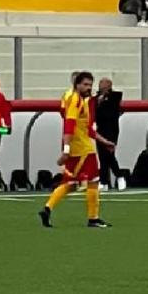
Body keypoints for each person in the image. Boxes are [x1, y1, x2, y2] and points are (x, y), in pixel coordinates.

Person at [38, 72, 114, 228]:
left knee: (70, 183)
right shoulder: (75, 100)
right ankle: (93, 218)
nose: (88, 88)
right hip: (82, 149)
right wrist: (65, 150)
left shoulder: (69, 98)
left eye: (90, 85)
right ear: (76, 84)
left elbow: (84, 127)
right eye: (85, 84)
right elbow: (69, 125)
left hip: (75, 147)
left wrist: (104, 142)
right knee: (94, 181)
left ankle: (47, 208)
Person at [95, 78, 124, 191]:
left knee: (109, 154)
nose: (101, 86)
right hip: (100, 129)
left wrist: (104, 99)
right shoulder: (96, 98)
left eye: (104, 84)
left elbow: (113, 107)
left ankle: (118, 176)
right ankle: (104, 181)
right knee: (102, 156)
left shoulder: (115, 96)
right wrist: (99, 101)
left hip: (111, 129)